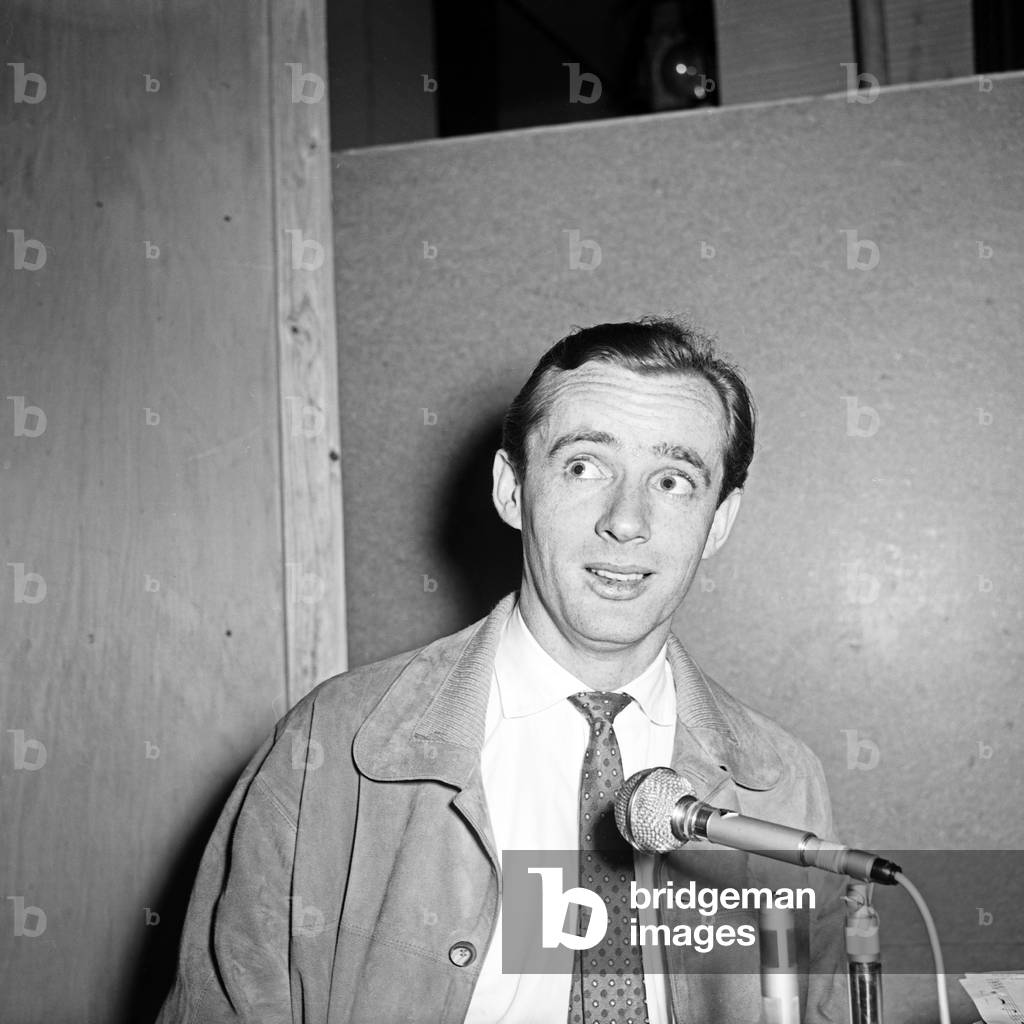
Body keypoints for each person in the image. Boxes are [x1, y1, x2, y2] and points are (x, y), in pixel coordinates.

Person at [156, 317, 847, 1024]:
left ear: (719, 520)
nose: (626, 521)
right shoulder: (328, 749)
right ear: (512, 489)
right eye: (584, 466)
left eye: (672, 481)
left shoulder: (780, 786)